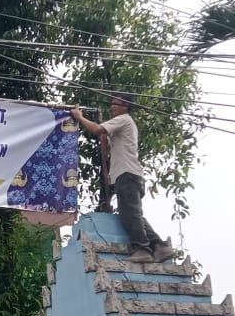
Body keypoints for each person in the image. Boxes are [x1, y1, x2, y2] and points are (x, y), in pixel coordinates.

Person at [71, 96, 174, 264]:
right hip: (127, 175)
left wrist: (79, 117)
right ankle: (160, 246)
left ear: (125, 106)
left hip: (128, 174)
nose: (112, 107)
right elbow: (104, 144)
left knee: (130, 214)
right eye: (111, 103)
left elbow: (97, 130)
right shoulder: (121, 125)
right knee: (131, 214)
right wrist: (103, 136)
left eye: (115, 104)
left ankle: (143, 249)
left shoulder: (123, 120)